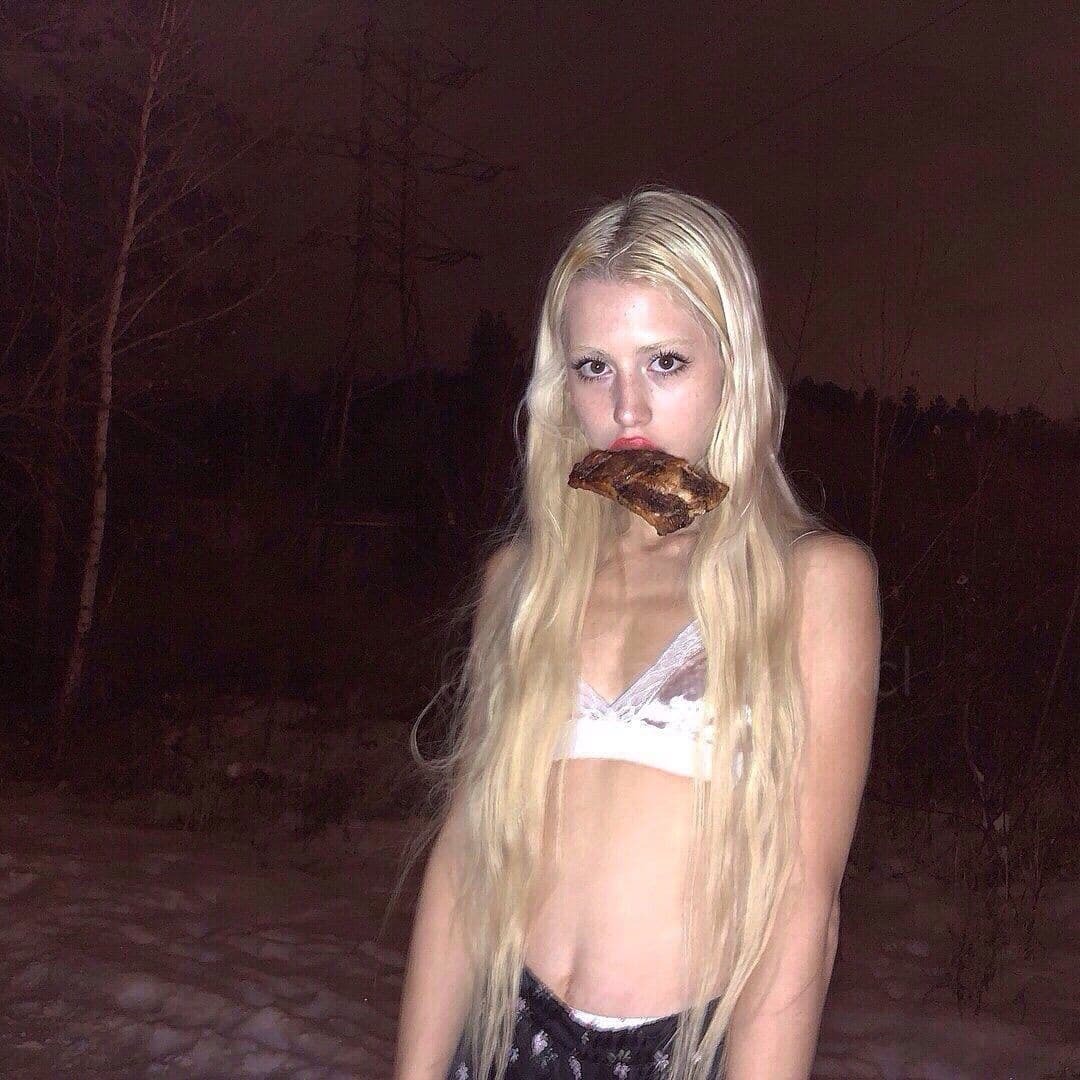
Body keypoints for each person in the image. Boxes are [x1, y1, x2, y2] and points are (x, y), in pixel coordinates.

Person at [389, 186, 881, 1080]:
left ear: (733, 368)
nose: (626, 410)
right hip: (502, 1035)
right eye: (593, 367)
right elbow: (465, 860)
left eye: (664, 362)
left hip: (682, 1052)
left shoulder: (812, 583)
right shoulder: (523, 584)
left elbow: (801, 909)